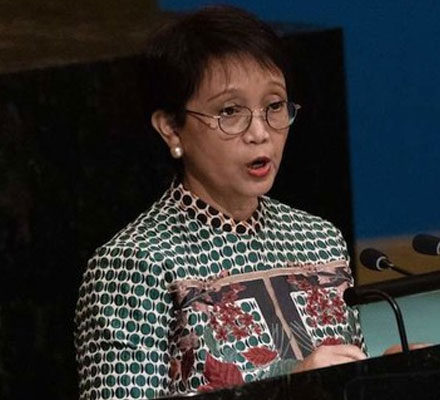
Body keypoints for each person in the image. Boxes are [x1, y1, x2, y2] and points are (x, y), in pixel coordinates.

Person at [74, 6, 366, 400]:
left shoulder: (320, 239)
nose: (260, 132)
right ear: (171, 128)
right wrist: (289, 388)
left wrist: (397, 372)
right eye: (231, 111)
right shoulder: (133, 262)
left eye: (274, 106)